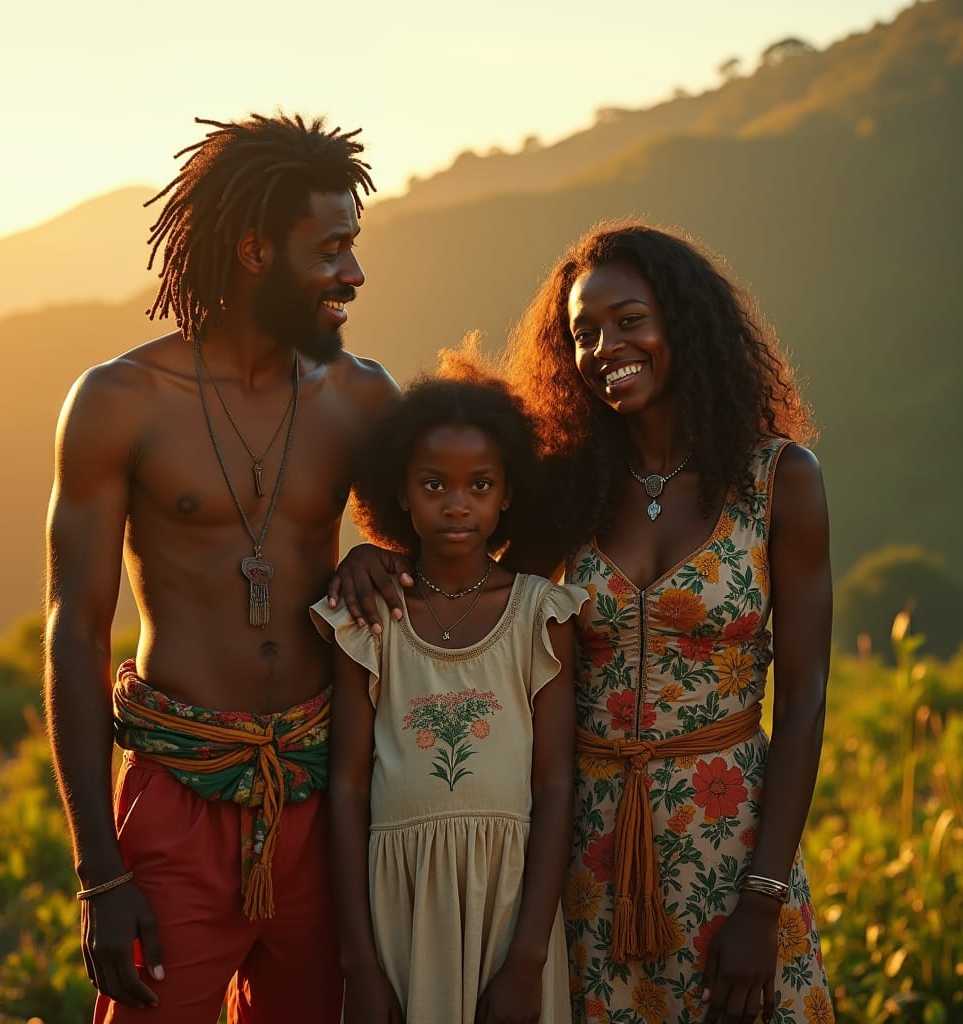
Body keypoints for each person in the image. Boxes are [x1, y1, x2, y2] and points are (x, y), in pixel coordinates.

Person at [332, 221, 836, 1024]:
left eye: (630, 320)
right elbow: (457, 552)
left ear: (682, 321)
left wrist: (764, 901)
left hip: (732, 839)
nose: (606, 347)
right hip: (583, 858)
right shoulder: (566, 491)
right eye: (584, 333)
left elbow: (806, 695)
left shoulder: (778, 480)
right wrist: (369, 557)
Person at [43, 111, 398, 1024]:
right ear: (252, 250)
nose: (353, 273)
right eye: (330, 250)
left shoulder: (362, 396)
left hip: (328, 795)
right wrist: (100, 870)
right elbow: (75, 630)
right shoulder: (120, 401)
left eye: (352, 247)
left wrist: (373, 553)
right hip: (177, 794)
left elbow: (456, 553)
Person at [312, 359, 589, 1024]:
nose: (458, 503)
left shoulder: (539, 615)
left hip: (509, 901)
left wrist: (527, 960)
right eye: (434, 484)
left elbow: (554, 784)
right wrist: (360, 963)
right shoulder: (368, 618)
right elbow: (346, 787)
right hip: (397, 904)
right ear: (401, 493)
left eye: (480, 485)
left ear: (507, 495)